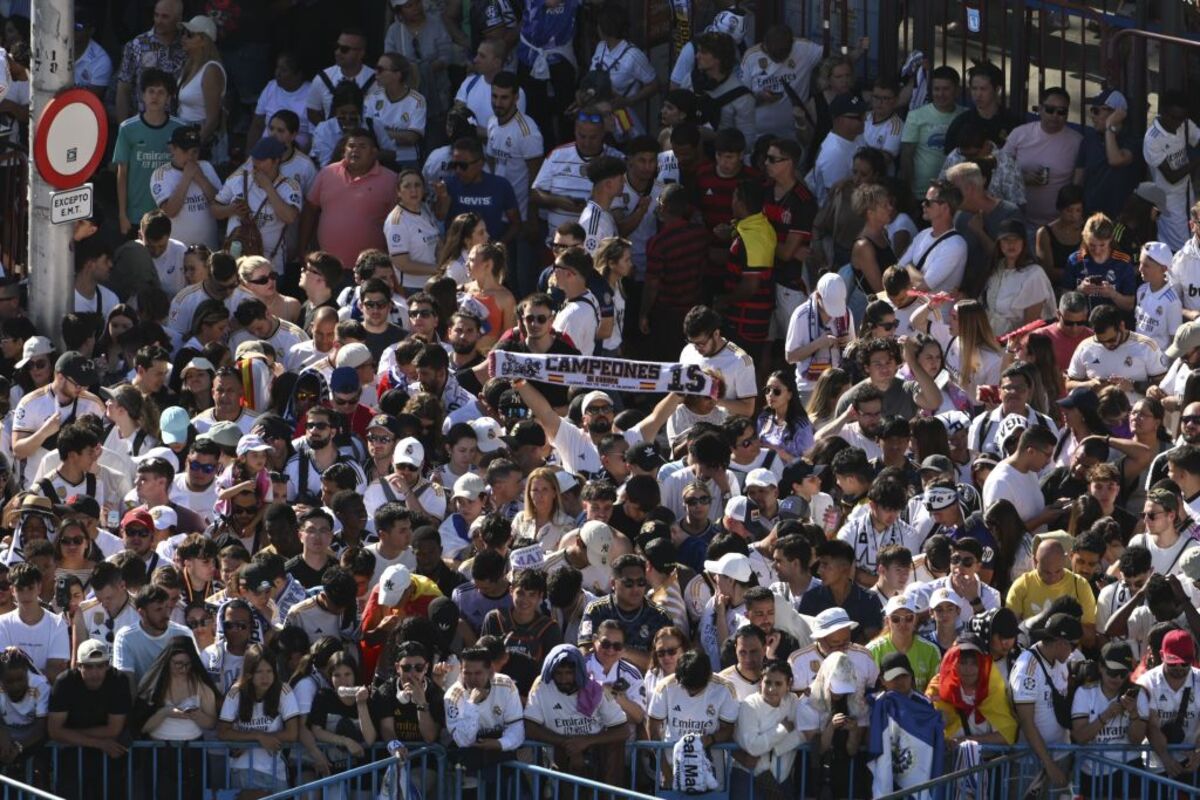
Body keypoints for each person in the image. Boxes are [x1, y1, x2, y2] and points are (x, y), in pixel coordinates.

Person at [48, 639, 133, 800]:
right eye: (88, 666)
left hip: (108, 758)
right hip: (72, 759)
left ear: (108, 665)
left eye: (101, 665)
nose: (95, 672)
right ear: (78, 665)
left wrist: (70, 735)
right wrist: (100, 743)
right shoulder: (64, 682)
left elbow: (114, 729)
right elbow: (54, 731)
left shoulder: (118, 681)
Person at [217, 644, 301, 793]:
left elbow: (292, 733)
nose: (265, 677)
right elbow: (223, 731)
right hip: (243, 769)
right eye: (259, 672)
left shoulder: (284, 691)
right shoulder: (236, 692)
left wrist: (254, 740)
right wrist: (258, 736)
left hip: (276, 771)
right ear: (249, 673)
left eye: (269, 671)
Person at [1001, 87, 1084, 227]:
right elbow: (999, 170)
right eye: (1050, 110)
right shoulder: (1020, 134)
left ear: (1067, 114)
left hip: (1058, 224)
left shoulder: (1077, 142)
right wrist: (1021, 177)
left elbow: (1079, 186)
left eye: (1061, 111)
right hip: (1018, 219)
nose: (1055, 115)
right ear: (1040, 109)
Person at [1144, 91, 1200, 251]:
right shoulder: (1153, 139)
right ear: (1163, 112)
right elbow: (1172, 177)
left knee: (1194, 240)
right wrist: (1197, 159)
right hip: (1168, 200)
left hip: (1188, 194)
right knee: (1179, 247)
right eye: (1174, 118)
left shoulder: (1184, 124)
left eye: (1181, 118)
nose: (1178, 123)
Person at [899, 66, 963, 200]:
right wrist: (907, 193)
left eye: (946, 89)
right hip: (921, 194)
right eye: (936, 89)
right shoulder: (916, 116)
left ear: (957, 90)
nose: (941, 94)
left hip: (955, 195)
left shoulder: (965, 115)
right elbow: (906, 156)